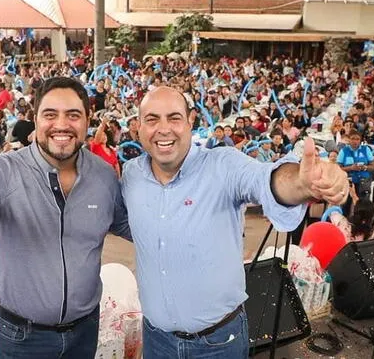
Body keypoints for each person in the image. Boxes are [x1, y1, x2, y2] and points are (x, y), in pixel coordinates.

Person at [121, 86, 348, 359]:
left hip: (217, 343)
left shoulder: (222, 166)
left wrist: (300, 183)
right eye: (152, 119)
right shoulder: (132, 175)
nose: (163, 129)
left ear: (191, 120)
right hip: (156, 340)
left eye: (174, 118)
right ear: (138, 126)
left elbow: (265, 179)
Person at [0, 77, 131, 358]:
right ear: (35, 121)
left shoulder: (103, 175)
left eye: (73, 115)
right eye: (50, 115)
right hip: (23, 338)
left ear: (87, 121)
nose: (62, 124)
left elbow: (125, 223)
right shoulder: (4, 171)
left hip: (84, 332)